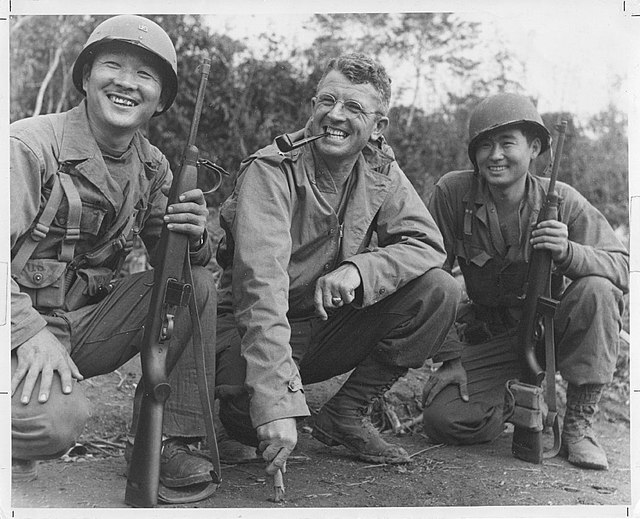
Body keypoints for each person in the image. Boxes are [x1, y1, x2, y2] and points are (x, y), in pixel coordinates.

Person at [213, 52, 461, 478]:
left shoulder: (380, 167)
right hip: (250, 325)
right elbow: (260, 288)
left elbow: (427, 244)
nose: (336, 115)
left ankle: (345, 413)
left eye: (354, 108)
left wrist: (361, 270)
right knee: (243, 417)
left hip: (323, 326)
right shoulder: (271, 170)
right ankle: (230, 414)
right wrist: (274, 399)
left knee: (439, 290)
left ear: (378, 127)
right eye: (327, 101)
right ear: (312, 105)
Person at [11, 15, 219, 502]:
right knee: (53, 423)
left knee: (196, 284)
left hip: (75, 324)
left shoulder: (152, 167)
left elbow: (175, 263)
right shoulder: (28, 146)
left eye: (145, 75)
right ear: (86, 78)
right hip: (16, 322)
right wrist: (28, 331)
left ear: (161, 100)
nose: (127, 82)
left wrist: (198, 235)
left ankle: (169, 439)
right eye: (112, 66)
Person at [422, 93, 629, 470]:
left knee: (598, 289)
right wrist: (450, 357)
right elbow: (428, 273)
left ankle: (578, 427)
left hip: (554, 333)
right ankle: (516, 399)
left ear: (534, 148)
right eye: (484, 145)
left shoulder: (562, 200)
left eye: (506, 143)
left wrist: (568, 253)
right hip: (494, 335)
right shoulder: (453, 193)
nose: (495, 155)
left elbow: (622, 266)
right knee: (444, 420)